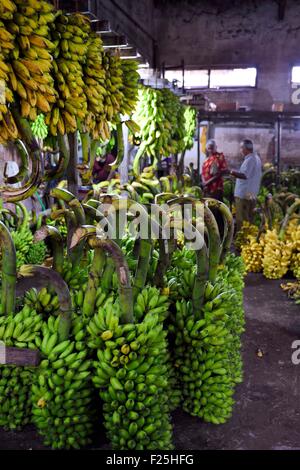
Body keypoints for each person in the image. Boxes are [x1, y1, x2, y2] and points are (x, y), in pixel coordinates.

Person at [233, 139, 262, 232]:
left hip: (244, 194)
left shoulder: (250, 159)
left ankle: (243, 239)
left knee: (242, 219)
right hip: (251, 193)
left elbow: (245, 175)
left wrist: (231, 172)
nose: (240, 150)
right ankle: (249, 239)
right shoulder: (256, 158)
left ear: (246, 148)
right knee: (249, 218)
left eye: (241, 148)